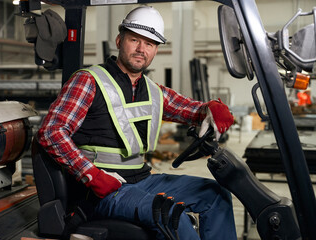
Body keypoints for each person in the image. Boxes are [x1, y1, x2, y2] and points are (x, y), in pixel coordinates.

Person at [37, 5, 236, 240]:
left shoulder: (152, 91)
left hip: (141, 180)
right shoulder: (88, 81)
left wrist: (211, 108)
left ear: (156, 51)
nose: (142, 49)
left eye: (150, 44)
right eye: (135, 40)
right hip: (102, 190)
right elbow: (51, 132)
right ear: (119, 40)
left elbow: (189, 109)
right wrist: (92, 175)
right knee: (171, 215)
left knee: (215, 194)